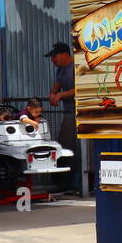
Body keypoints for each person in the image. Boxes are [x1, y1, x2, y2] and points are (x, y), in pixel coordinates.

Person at [46, 42, 81, 193]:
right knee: (65, 148)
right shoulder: (60, 69)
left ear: (65, 54)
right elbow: (57, 84)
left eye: (54, 56)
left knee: (73, 150)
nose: (52, 60)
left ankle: (75, 184)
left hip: (79, 114)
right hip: (68, 114)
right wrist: (53, 93)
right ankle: (65, 184)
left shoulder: (77, 66)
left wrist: (60, 95)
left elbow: (80, 88)